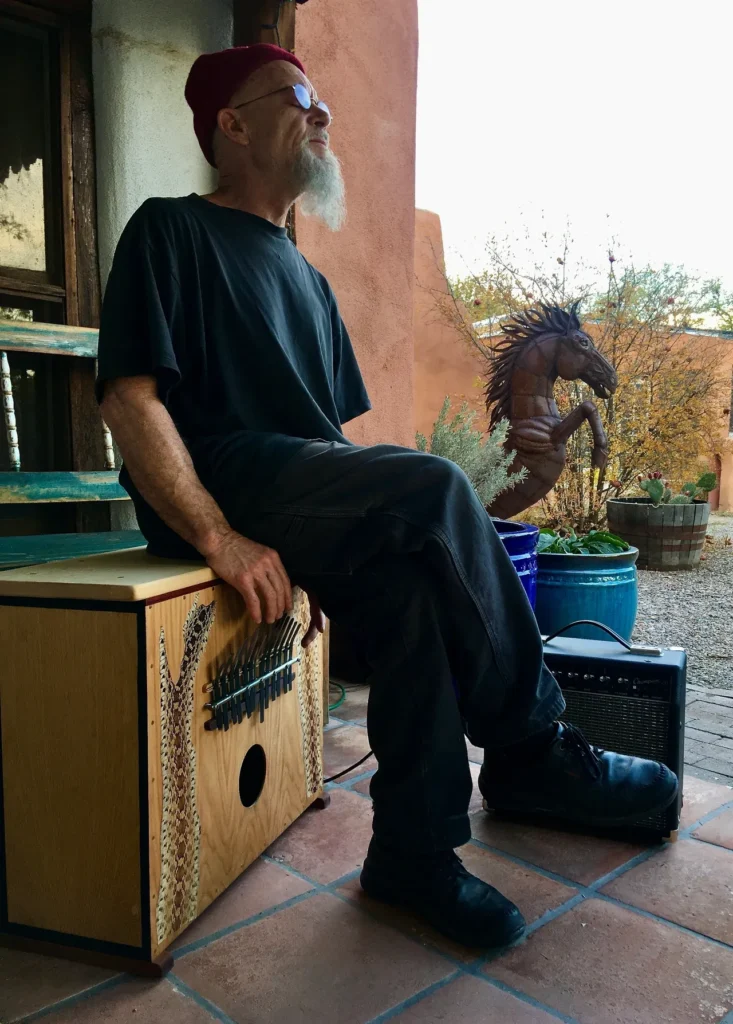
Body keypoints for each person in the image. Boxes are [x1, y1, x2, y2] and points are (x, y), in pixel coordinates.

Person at [97, 44, 678, 950]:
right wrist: (217, 536)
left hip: (292, 491)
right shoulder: (168, 231)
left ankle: (412, 854)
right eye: (297, 97)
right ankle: (528, 751)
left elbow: (332, 451)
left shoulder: (310, 282)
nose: (321, 114)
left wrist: (343, 550)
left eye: (323, 98)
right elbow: (129, 399)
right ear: (232, 125)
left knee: (409, 584)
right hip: (219, 481)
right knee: (438, 481)